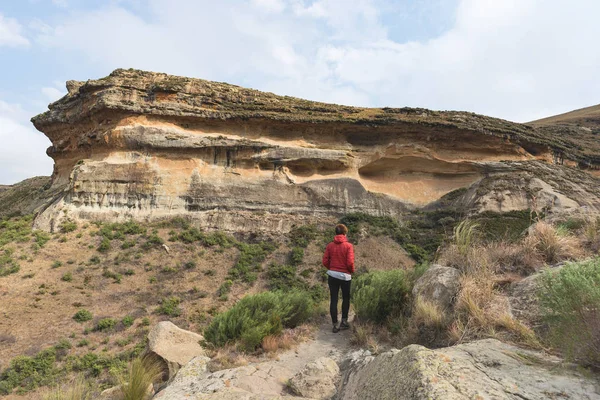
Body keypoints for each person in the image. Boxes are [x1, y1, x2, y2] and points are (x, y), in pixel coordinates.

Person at [322, 223, 355, 333]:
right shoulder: (348, 246)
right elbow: (350, 262)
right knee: (346, 298)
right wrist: (351, 271)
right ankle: (344, 322)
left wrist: (332, 268)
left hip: (332, 275)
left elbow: (325, 261)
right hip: (345, 276)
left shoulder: (330, 245)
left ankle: (335, 324)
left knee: (334, 299)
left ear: (336, 233)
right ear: (345, 233)